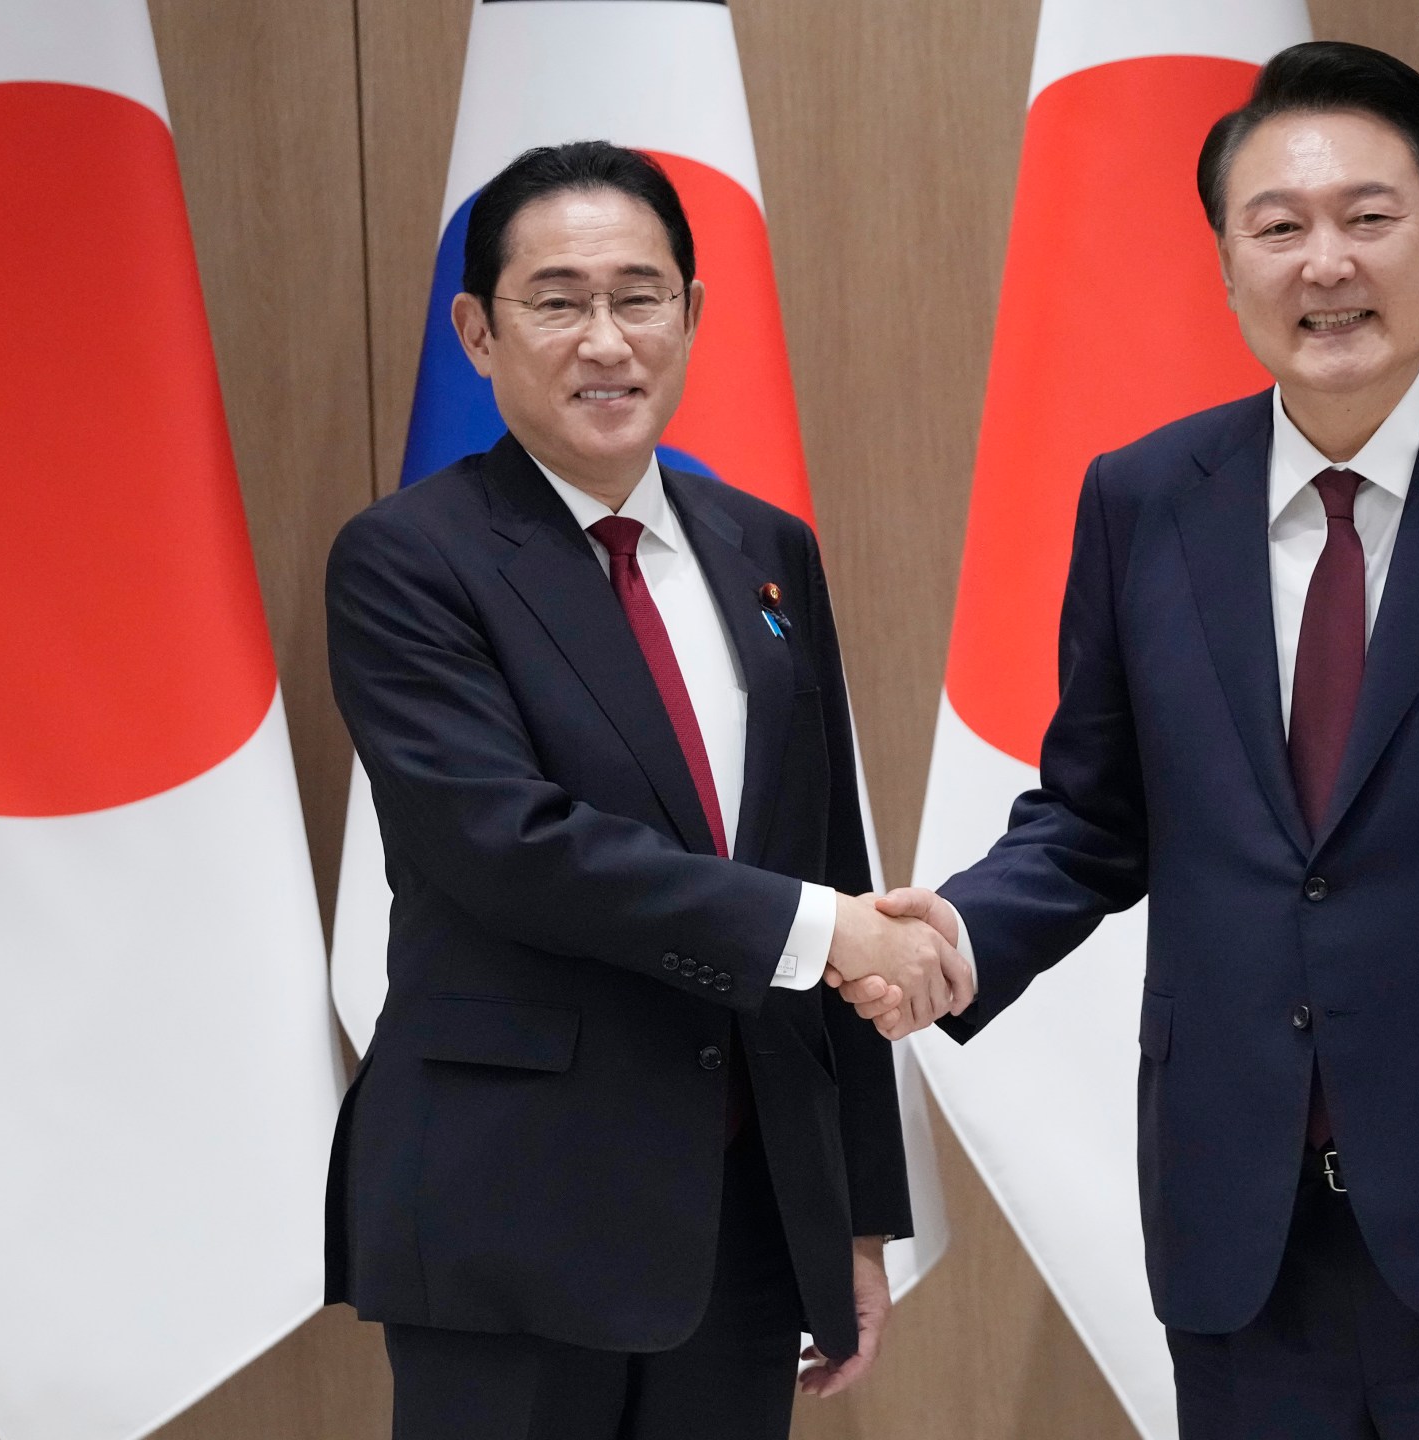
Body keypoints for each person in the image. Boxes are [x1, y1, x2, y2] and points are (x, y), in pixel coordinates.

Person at [868, 42, 1419, 1438]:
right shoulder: (1146, 499)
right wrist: (963, 935)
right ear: (1225, 260)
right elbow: (1094, 812)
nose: (1325, 264)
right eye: (1278, 226)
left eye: (1369, 216)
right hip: (1252, 1227)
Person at [322, 141, 971, 1440]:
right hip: (512, 1209)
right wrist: (827, 929)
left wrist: (849, 1212)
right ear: (478, 332)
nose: (607, 341)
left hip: (737, 1213)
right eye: (558, 302)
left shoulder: (764, 551)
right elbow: (507, 845)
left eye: (641, 296)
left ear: (692, 313)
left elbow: (825, 850)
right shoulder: (409, 561)